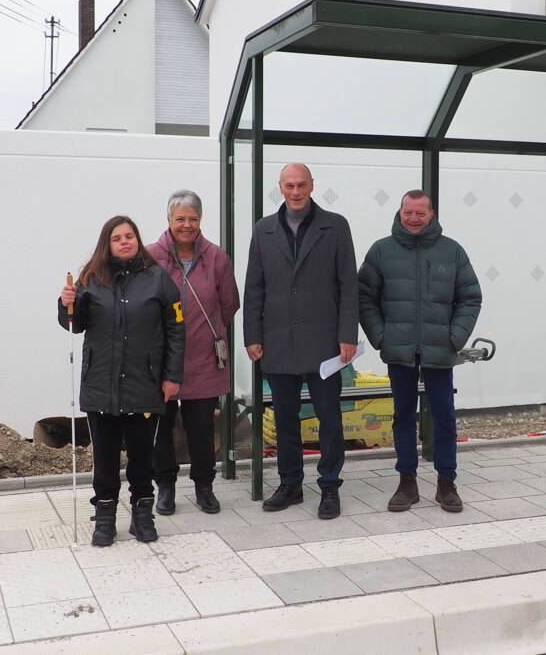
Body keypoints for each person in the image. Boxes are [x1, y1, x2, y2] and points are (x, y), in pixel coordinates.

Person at [60, 215, 185, 546]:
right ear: (107, 243)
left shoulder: (158, 278)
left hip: (145, 382)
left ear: (138, 240)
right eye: (118, 238)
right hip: (101, 384)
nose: (125, 241)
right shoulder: (91, 278)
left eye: (130, 236)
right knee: (105, 457)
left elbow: (176, 328)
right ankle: (104, 518)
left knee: (143, 456)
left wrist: (172, 376)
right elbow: (75, 324)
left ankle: (143, 515)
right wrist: (66, 304)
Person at [244, 163, 358, 519]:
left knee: (329, 418)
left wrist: (347, 336)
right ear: (280, 188)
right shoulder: (264, 230)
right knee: (284, 418)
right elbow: (254, 288)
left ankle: (329, 486)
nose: (295, 192)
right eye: (289, 186)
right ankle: (290, 483)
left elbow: (348, 286)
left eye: (301, 185)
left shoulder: (335, 226)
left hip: (324, 343)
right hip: (277, 341)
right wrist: (252, 336)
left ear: (312, 186)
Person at [358, 189, 482, 514]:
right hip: (398, 350)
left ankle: (446, 483)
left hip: (440, 351)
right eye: (408, 213)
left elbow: (470, 297)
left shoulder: (452, 251)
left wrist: (454, 338)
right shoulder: (381, 252)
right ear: (400, 213)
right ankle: (407, 482)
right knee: (402, 416)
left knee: (444, 417)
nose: (413, 219)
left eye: (420, 213)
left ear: (432, 214)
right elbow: (364, 298)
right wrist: (381, 337)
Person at [147, 190, 239, 516]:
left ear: (201, 220)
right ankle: (166, 487)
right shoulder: (148, 257)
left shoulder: (217, 258)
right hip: (160, 362)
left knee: (201, 429)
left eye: (193, 219)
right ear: (168, 220)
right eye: (180, 219)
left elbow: (229, 305)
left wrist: (204, 330)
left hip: (203, 359)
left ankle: (204, 486)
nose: (187, 225)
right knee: (162, 429)